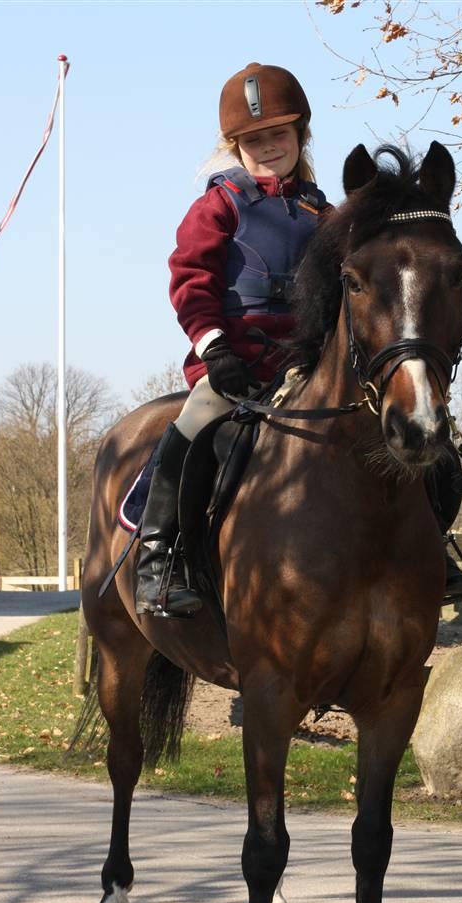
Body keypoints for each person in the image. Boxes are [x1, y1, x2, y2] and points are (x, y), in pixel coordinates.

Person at [135, 62, 330, 617]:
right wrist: (215, 349)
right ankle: (161, 560)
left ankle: (434, 550)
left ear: (300, 136)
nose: (268, 147)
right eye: (254, 140)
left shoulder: (325, 215)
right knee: (193, 427)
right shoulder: (217, 206)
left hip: (308, 368)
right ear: (236, 147)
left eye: (278, 135)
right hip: (234, 366)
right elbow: (190, 283)